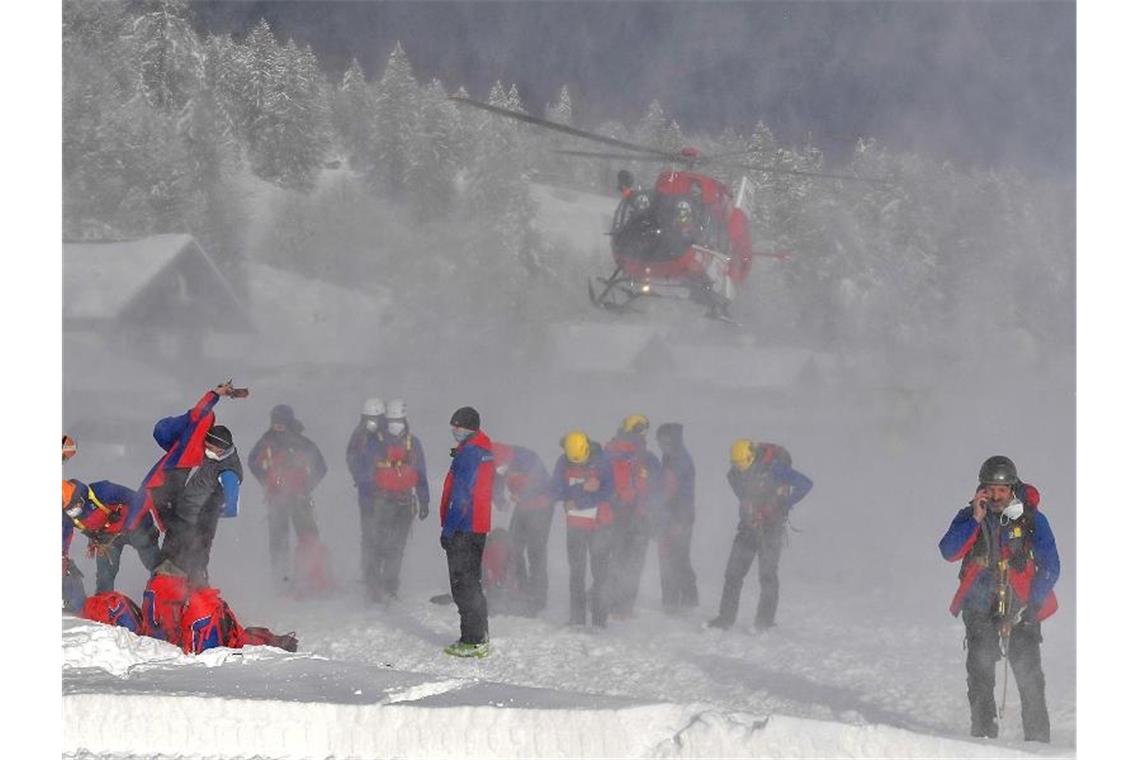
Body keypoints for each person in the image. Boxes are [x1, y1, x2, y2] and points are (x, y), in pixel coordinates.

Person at [938, 455, 1059, 742]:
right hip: (979, 605)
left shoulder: (1031, 519)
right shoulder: (969, 517)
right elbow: (949, 551)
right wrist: (975, 519)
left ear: (1012, 490)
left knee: (1030, 677)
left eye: (1001, 490)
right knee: (980, 675)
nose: (995, 496)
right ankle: (982, 738)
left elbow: (1051, 564)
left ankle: (1039, 742)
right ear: (981, 490)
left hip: (1021, 606)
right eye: (990, 489)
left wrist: (1034, 604)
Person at [707, 439, 813, 632]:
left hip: (772, 528)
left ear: (751, 457)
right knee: (733, 574)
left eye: (742, 464)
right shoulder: (733, 475)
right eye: (736, 465)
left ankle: (765, 623)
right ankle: (725, 619)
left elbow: (806, 484)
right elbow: (742, 495)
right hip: (748, 527)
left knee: (767, 576)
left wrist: (784, 503)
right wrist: (752, 510)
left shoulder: (775, 469)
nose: (739, 469)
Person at [125, 381, 245, 536]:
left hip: (174, 488)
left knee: (176, 524)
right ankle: (176, 553)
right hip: (171, 487)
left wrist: (216, 393)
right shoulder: (189, 443)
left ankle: (177, 552)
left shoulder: (190, 439)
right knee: (177, 524)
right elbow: (200, 411)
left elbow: (200, 411)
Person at [248, 404, 329, 590]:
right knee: (278, 540)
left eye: (281, 422)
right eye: (275, 422)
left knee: (308, 537)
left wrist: (306, 487)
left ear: (289, 422)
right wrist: (266, 482)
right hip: (276, 499)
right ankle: (281, 580)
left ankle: (311, 577)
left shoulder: (303, 442)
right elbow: (253, 463)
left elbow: (321, 467)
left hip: (299, 498)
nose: (278, 426)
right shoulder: (265, 441)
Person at [439, 406, 495, 657]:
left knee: (463, 583)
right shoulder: (482, 450)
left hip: (465, 525)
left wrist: (449, 530)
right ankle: (480, 634)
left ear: (469, 427)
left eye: (458, 426)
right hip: (478, 524)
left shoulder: (470, 454)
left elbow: (462, 496)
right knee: (473, 580)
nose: (454, 430)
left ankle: (472, 640)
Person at [158, 424, 243, 589]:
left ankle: (196, 598)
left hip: (198, 522)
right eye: (207, 447)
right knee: (169, 557)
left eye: (213, 449)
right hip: (183, 514)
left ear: (223, 448)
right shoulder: (214, 455)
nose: (209, 451)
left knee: (194, 560)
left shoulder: (228, 471)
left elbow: (232, 505)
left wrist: (212, 514)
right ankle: (164, 592)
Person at [364, 398, 430, 603]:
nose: (395, 423)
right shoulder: (377, 442)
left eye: (398, 419)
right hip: (385, 501)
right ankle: (378, 586)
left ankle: (388, 586)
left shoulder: (409, 443)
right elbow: (366, 474)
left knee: (394, 546)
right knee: (380, 545)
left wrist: (424, 499)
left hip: (400, 501)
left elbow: (420, 473)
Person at [548, 430, 615, 628]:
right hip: (575, 525)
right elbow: (556, 490)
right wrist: (583, 489)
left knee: (600, 573)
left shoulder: (602, 461)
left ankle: (600, 620)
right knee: (576, 572)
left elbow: (609, 492)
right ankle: (577, 618)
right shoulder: (562, 462)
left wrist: (578, 501)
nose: (578, 465)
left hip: (600, 524)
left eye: (581, 461)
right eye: (574, 462)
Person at [63, 478, 162, 596]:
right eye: (70, 510)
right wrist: (62, 556)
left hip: (137, 528)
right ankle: (103, 606)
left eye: (75, 506)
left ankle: (164, 593)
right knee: (104, 576)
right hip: (108, 540)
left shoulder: (101, 491)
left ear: (79, 496)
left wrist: (130, 525)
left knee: (156, 565)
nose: (74, 510)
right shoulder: (67, 517)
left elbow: (138, 499)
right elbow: (64, 535)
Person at [604, 414, 661, 618]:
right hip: (638, 518)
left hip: (618, 516)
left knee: (615, 559)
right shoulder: (648, 458)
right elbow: (657, 491)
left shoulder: (609, 452)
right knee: (631, 564)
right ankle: (623, 608)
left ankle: (607, 600)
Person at [491, 442, 554, 616]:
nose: (501, 470)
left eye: (504, 467)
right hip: (522, 506)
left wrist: (524, 493)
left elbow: (543, 484)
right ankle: (522, 589)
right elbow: (496, 481)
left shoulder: (528, 458)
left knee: (536, 551)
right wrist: (500, 501)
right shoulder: (497, 460)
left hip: (542, 506)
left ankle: (538, 597)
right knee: (513, 547)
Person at [655, 422, 699, 611]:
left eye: (663, 441)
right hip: (676, 513)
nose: (660, 445)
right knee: (673, 556)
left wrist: (654, 507)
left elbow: (669, 490)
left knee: (675, 556)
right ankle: (678, 598)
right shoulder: (671, 456)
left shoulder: (677, 460)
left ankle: (679, 599)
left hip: (678, 514)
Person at [346, 396, 386, 589]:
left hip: (387, 494)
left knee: (385, 534)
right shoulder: (359, 435)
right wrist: (361, 478)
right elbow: (351, 458)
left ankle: (385, 574)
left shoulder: (389, 435)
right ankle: (371, 575)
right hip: (367, 493)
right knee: (369, 534)